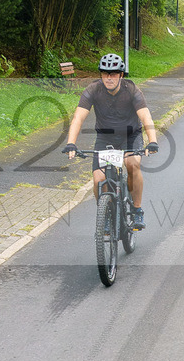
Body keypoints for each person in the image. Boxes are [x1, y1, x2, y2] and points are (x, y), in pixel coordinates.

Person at [64, 54, 159, 230]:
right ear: (101, 74)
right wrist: (71, 143)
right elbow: (78, 117)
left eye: (114, 73)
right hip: (105, 137)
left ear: (121, 75)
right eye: (106, 73)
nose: (109, 77)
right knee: (98, 178)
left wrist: (152, 140)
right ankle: (105, 212)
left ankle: (137, 209)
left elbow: (145, 116)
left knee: (132, 165)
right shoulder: (93, 90)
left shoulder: (131, 90)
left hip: (130, 135)